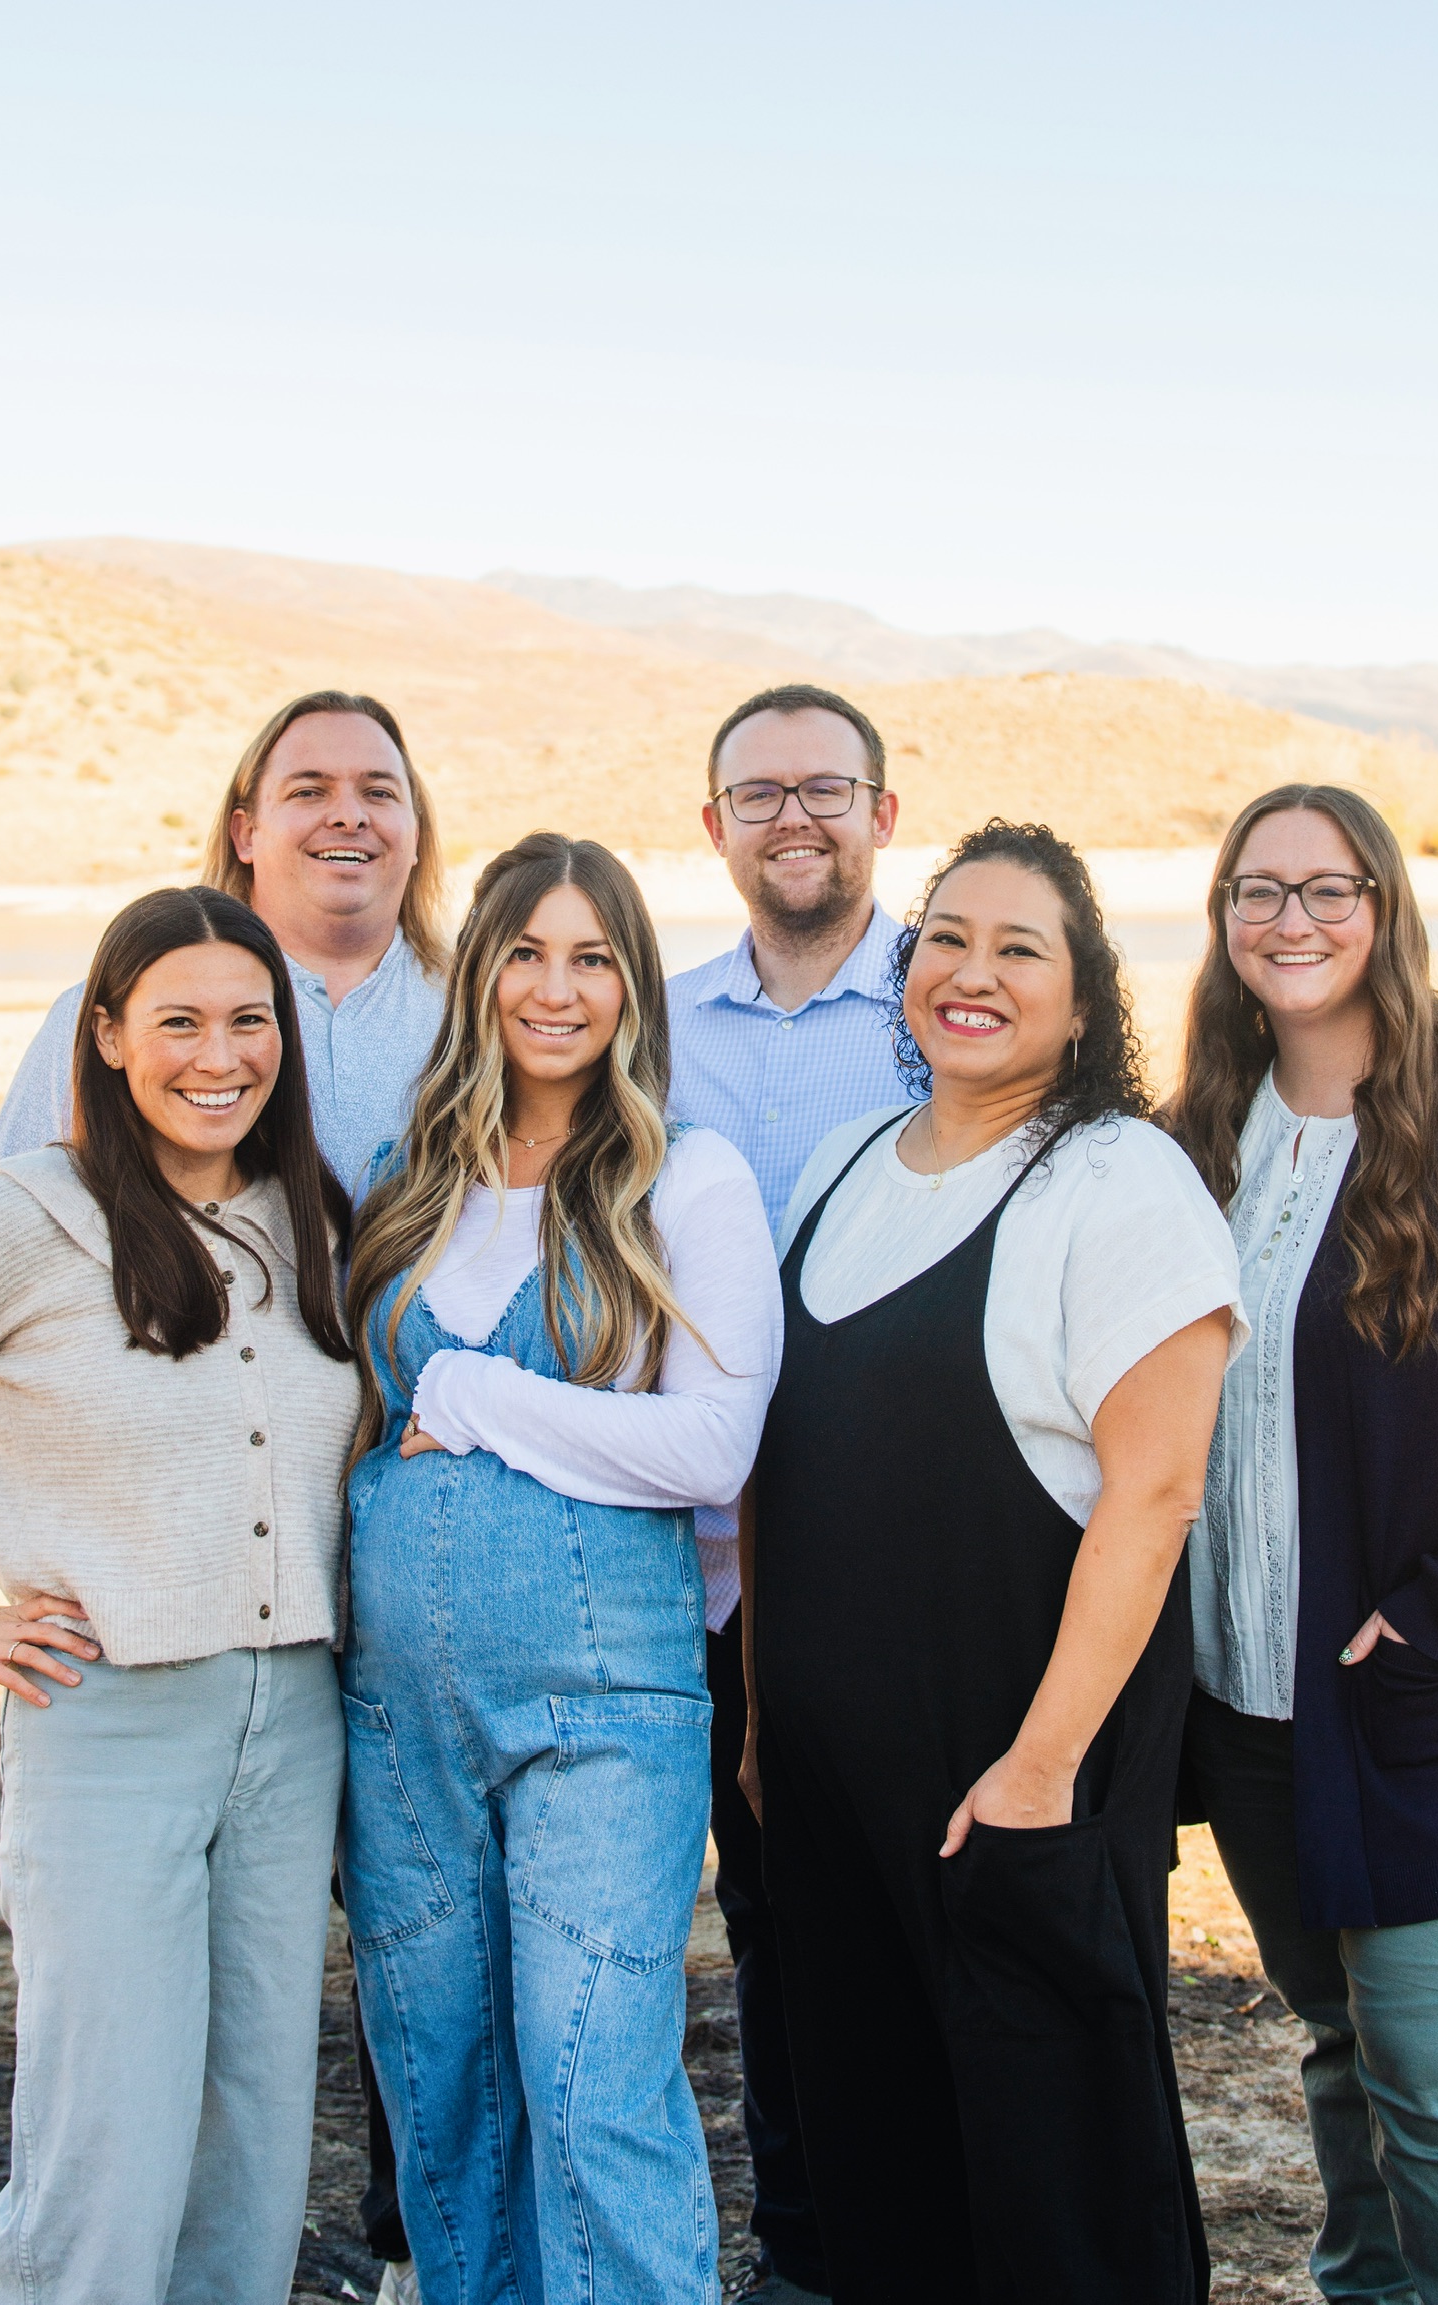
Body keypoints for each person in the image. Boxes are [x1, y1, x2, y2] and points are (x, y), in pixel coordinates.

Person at [0, 688, 443, 2300]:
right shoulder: (30, 1215)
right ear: (103, 1034)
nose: (218, 1055)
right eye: (176, 1021)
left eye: (248, 1024)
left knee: (251, 2141)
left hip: (295, 1718)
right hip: (111, 1716)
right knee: (106, 2135)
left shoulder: (302, 1213)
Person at [743, 820, 1245, 2304]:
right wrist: (769, 1723)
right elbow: (783, 1472)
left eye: (1019, 948)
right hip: (831, 1793)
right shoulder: (840, 1164)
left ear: (1084, 1001)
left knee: (1057, 2192)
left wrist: (1038, 1774)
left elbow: (1152, 1498)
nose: (971, 972)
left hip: (1013, 1793)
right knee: (878, 2161)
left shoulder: (1115, 1180)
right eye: (944, 938)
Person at [339, 832, 783, 2305]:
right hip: (398, 1712)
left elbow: (712, 1444)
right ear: (478, 973)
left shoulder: (686, 1178)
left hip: (607, 1708)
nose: (556, 986)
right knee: (443, 2092)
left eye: (593, 956)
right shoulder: (408, 1179)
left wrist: (465, 1402)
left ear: (633, 986)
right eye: (525, 950)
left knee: (595, 2080)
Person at [1171, 784, 1438, 2305]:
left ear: (1385, 906)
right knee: (1331, 2046)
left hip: (1429, 1692)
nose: (1290, 920)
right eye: (1257, 890)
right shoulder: (1195, 1138)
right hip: (1246, 1696)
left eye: (1327, 887)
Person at [666, 683, 911, 2303]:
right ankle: (806, 2251)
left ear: (886, 814)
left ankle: (935, 2238)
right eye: (758, 795)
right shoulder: (650, 1023)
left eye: (826, 789)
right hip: (697, 1559)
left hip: (906, 1552)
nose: (794, 818)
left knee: (917, 1922)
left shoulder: (951, 996)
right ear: (712, 829)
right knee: (768, 1926)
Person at [0, 688, 446, 1194]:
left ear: (415, 834)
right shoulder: (112, 1017)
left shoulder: (481, 1012)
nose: (349, 817)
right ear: (245, 834)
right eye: (309, 792)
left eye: (379, 792)